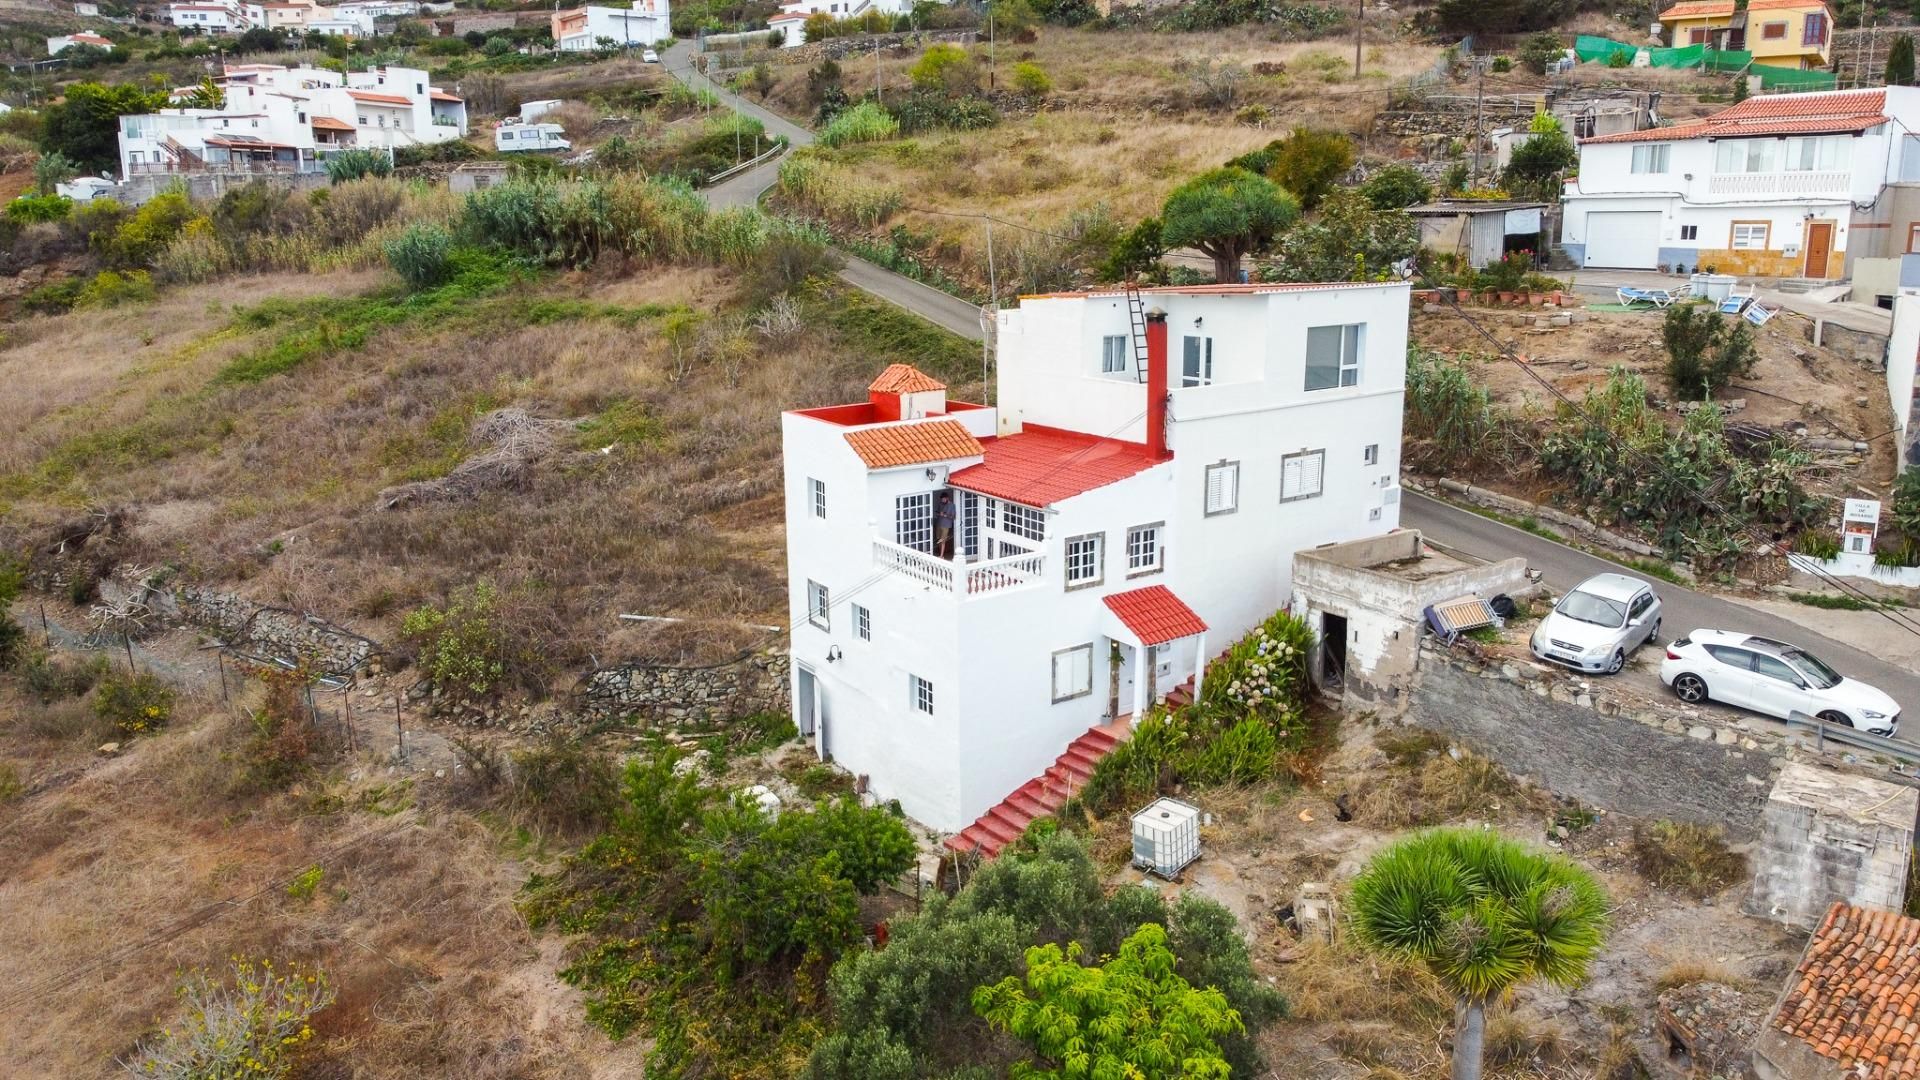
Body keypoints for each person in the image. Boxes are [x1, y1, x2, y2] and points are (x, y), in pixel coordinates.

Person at [933, 491, 956, 560]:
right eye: (941, 499)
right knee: (939, 540)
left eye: (943, 499)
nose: (942, 501)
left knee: (943, 540)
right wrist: (939, 514)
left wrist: (945, 515)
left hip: (946, 525)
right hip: (939, 524)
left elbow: (953, 517)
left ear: (947, 498)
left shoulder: (952, 506)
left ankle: (941, 555)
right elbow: (936, 512)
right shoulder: (940, 504)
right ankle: (941, 553)